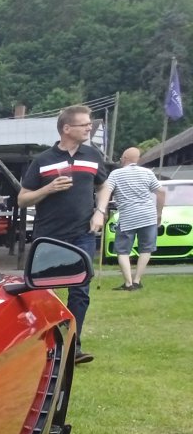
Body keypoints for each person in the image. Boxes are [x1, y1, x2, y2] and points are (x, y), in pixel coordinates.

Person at [18, 105, 107, 364]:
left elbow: (104, 186)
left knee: (80, 290)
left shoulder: (93, 156)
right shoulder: (43, 161)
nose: (89, 128)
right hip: (49, 235)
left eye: (89, 124)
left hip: (83, 234)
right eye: (84, 124)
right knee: (46, 291)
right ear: (67, 129)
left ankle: (73, 345)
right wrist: (48, 188)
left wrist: (100, 211)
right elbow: (23, 199)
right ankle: (47, 344)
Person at [102, 147, 165, 291]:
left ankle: (128, 283)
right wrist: (159, 213)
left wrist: (103, 210)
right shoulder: (147, 172)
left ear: (124, 159)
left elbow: (107, 190)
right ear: (138, 159)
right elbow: (161, 192)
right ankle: (137, 280)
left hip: (128, 217)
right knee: (146, 248)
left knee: (123, 250)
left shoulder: (116, 174)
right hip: (148, 216)